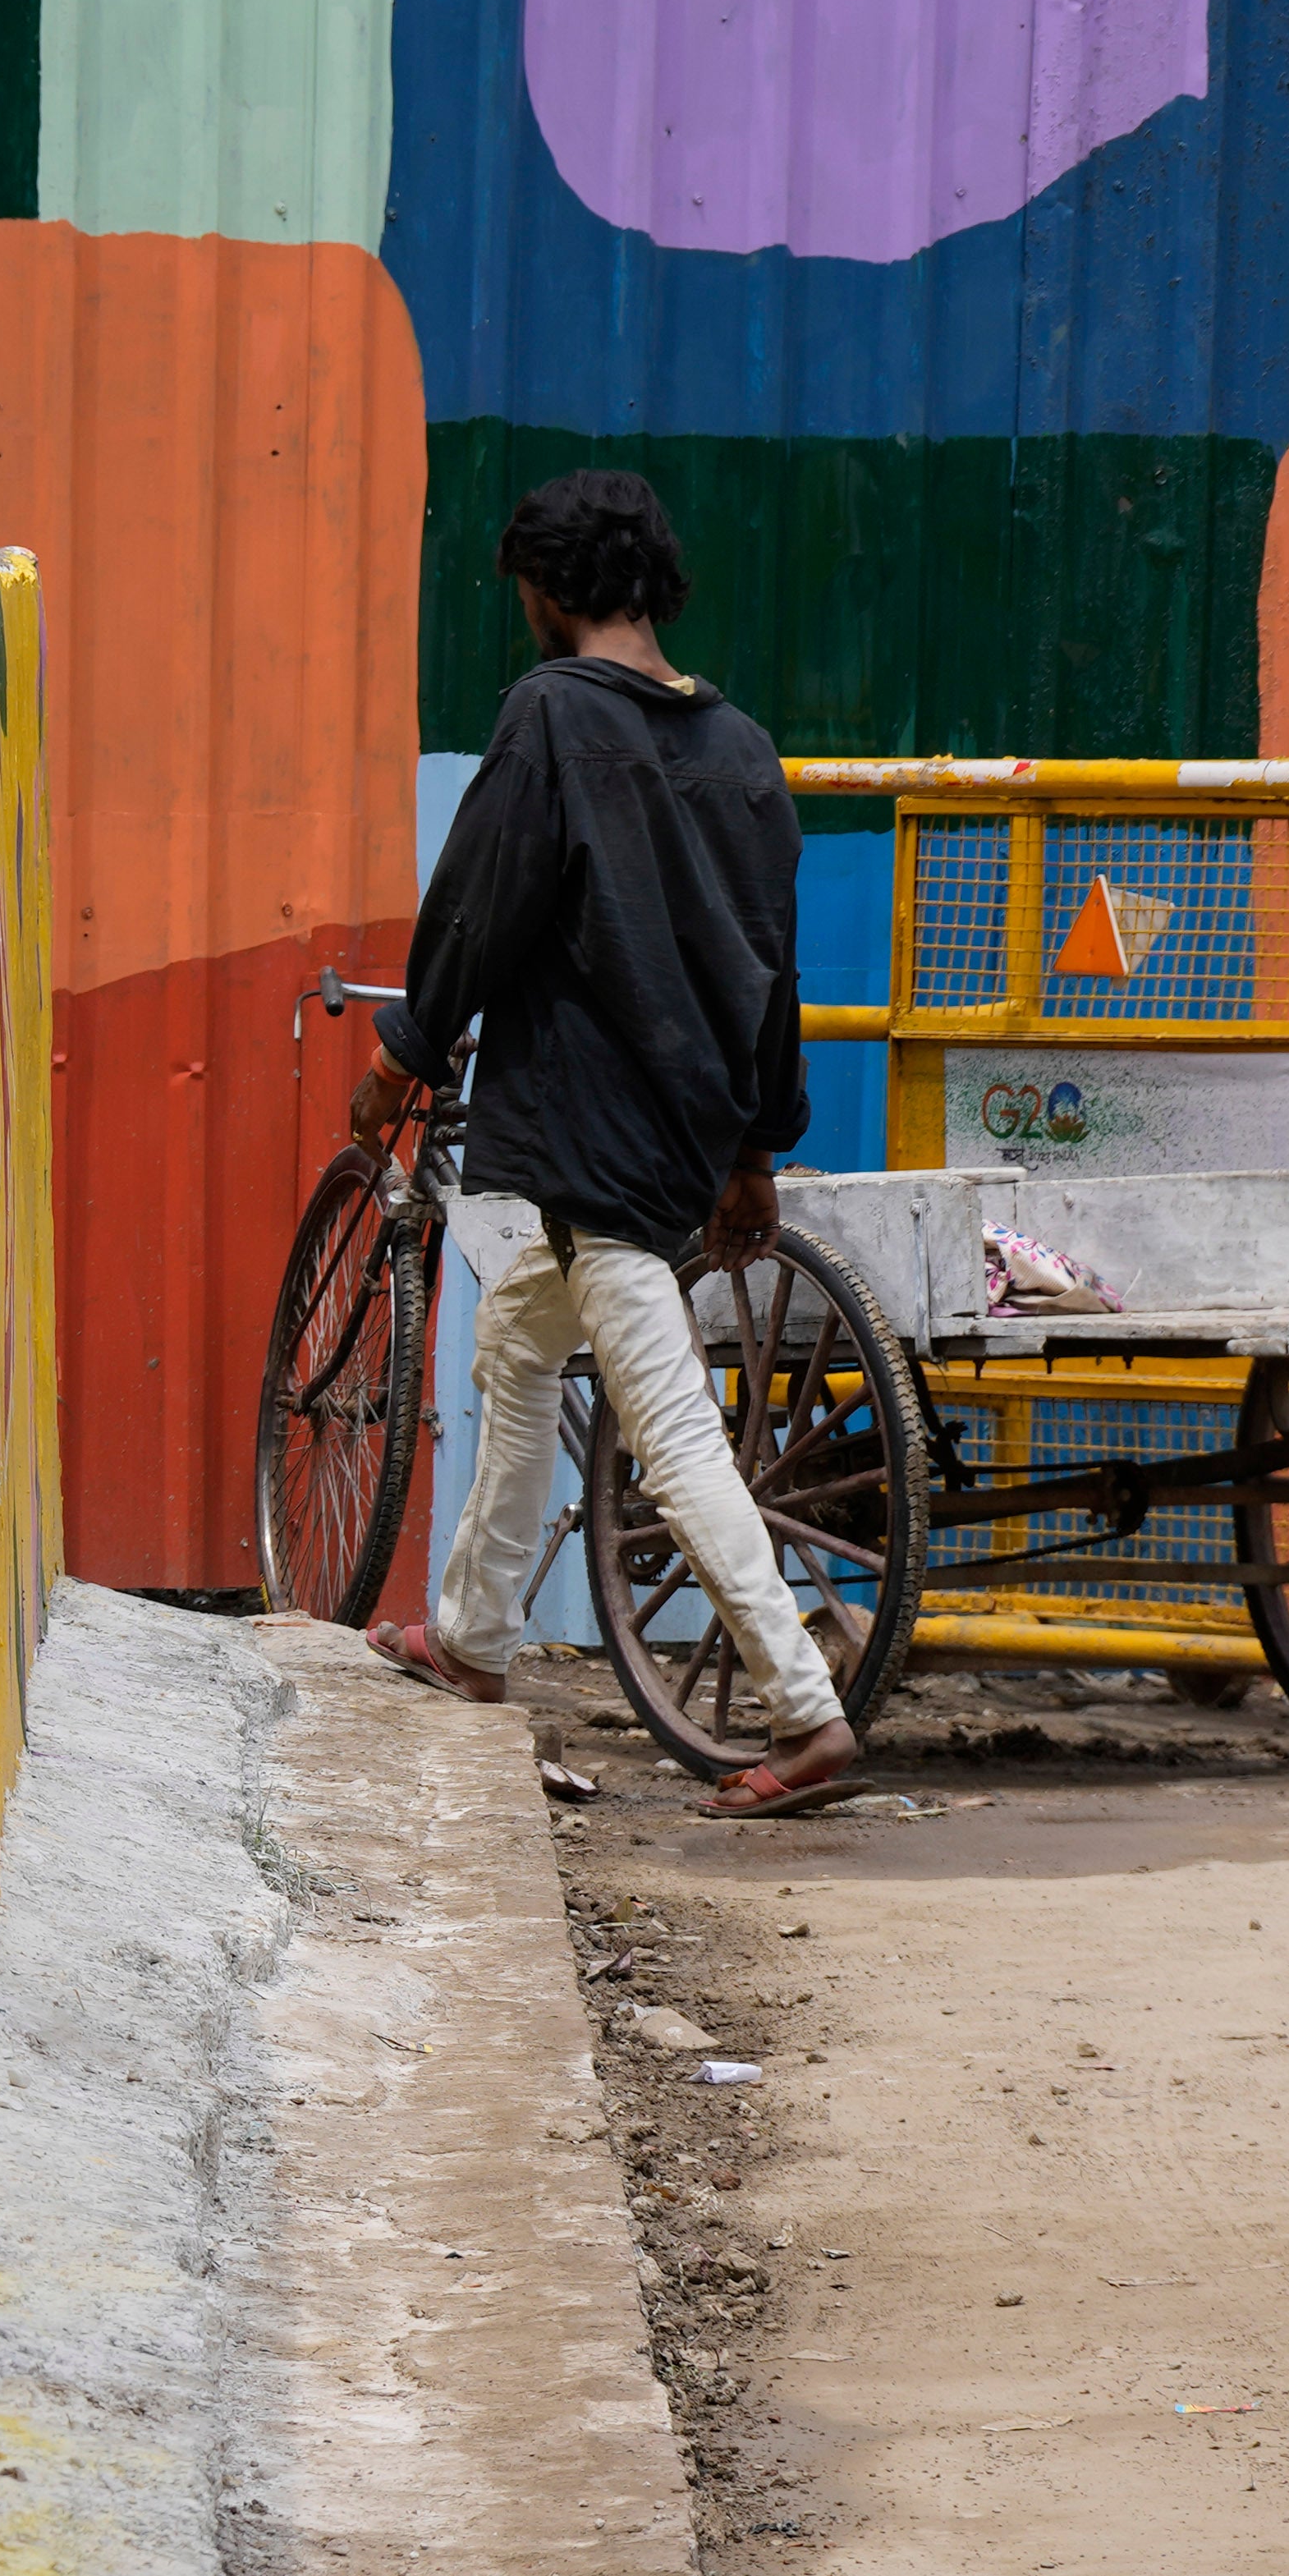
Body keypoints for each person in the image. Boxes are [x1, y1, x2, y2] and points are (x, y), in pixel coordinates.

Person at [358, 466, 866, 1821]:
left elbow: (481, 901)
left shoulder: (551, 717)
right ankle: (470, 1638)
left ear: (546, 587)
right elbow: (772, 972)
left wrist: (408, 1046)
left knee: (674, 1430)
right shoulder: (744, 750)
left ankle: (808, 1719)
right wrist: (757, 1149)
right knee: (518, 1346)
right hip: (685, 1134)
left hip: (595, 1133)